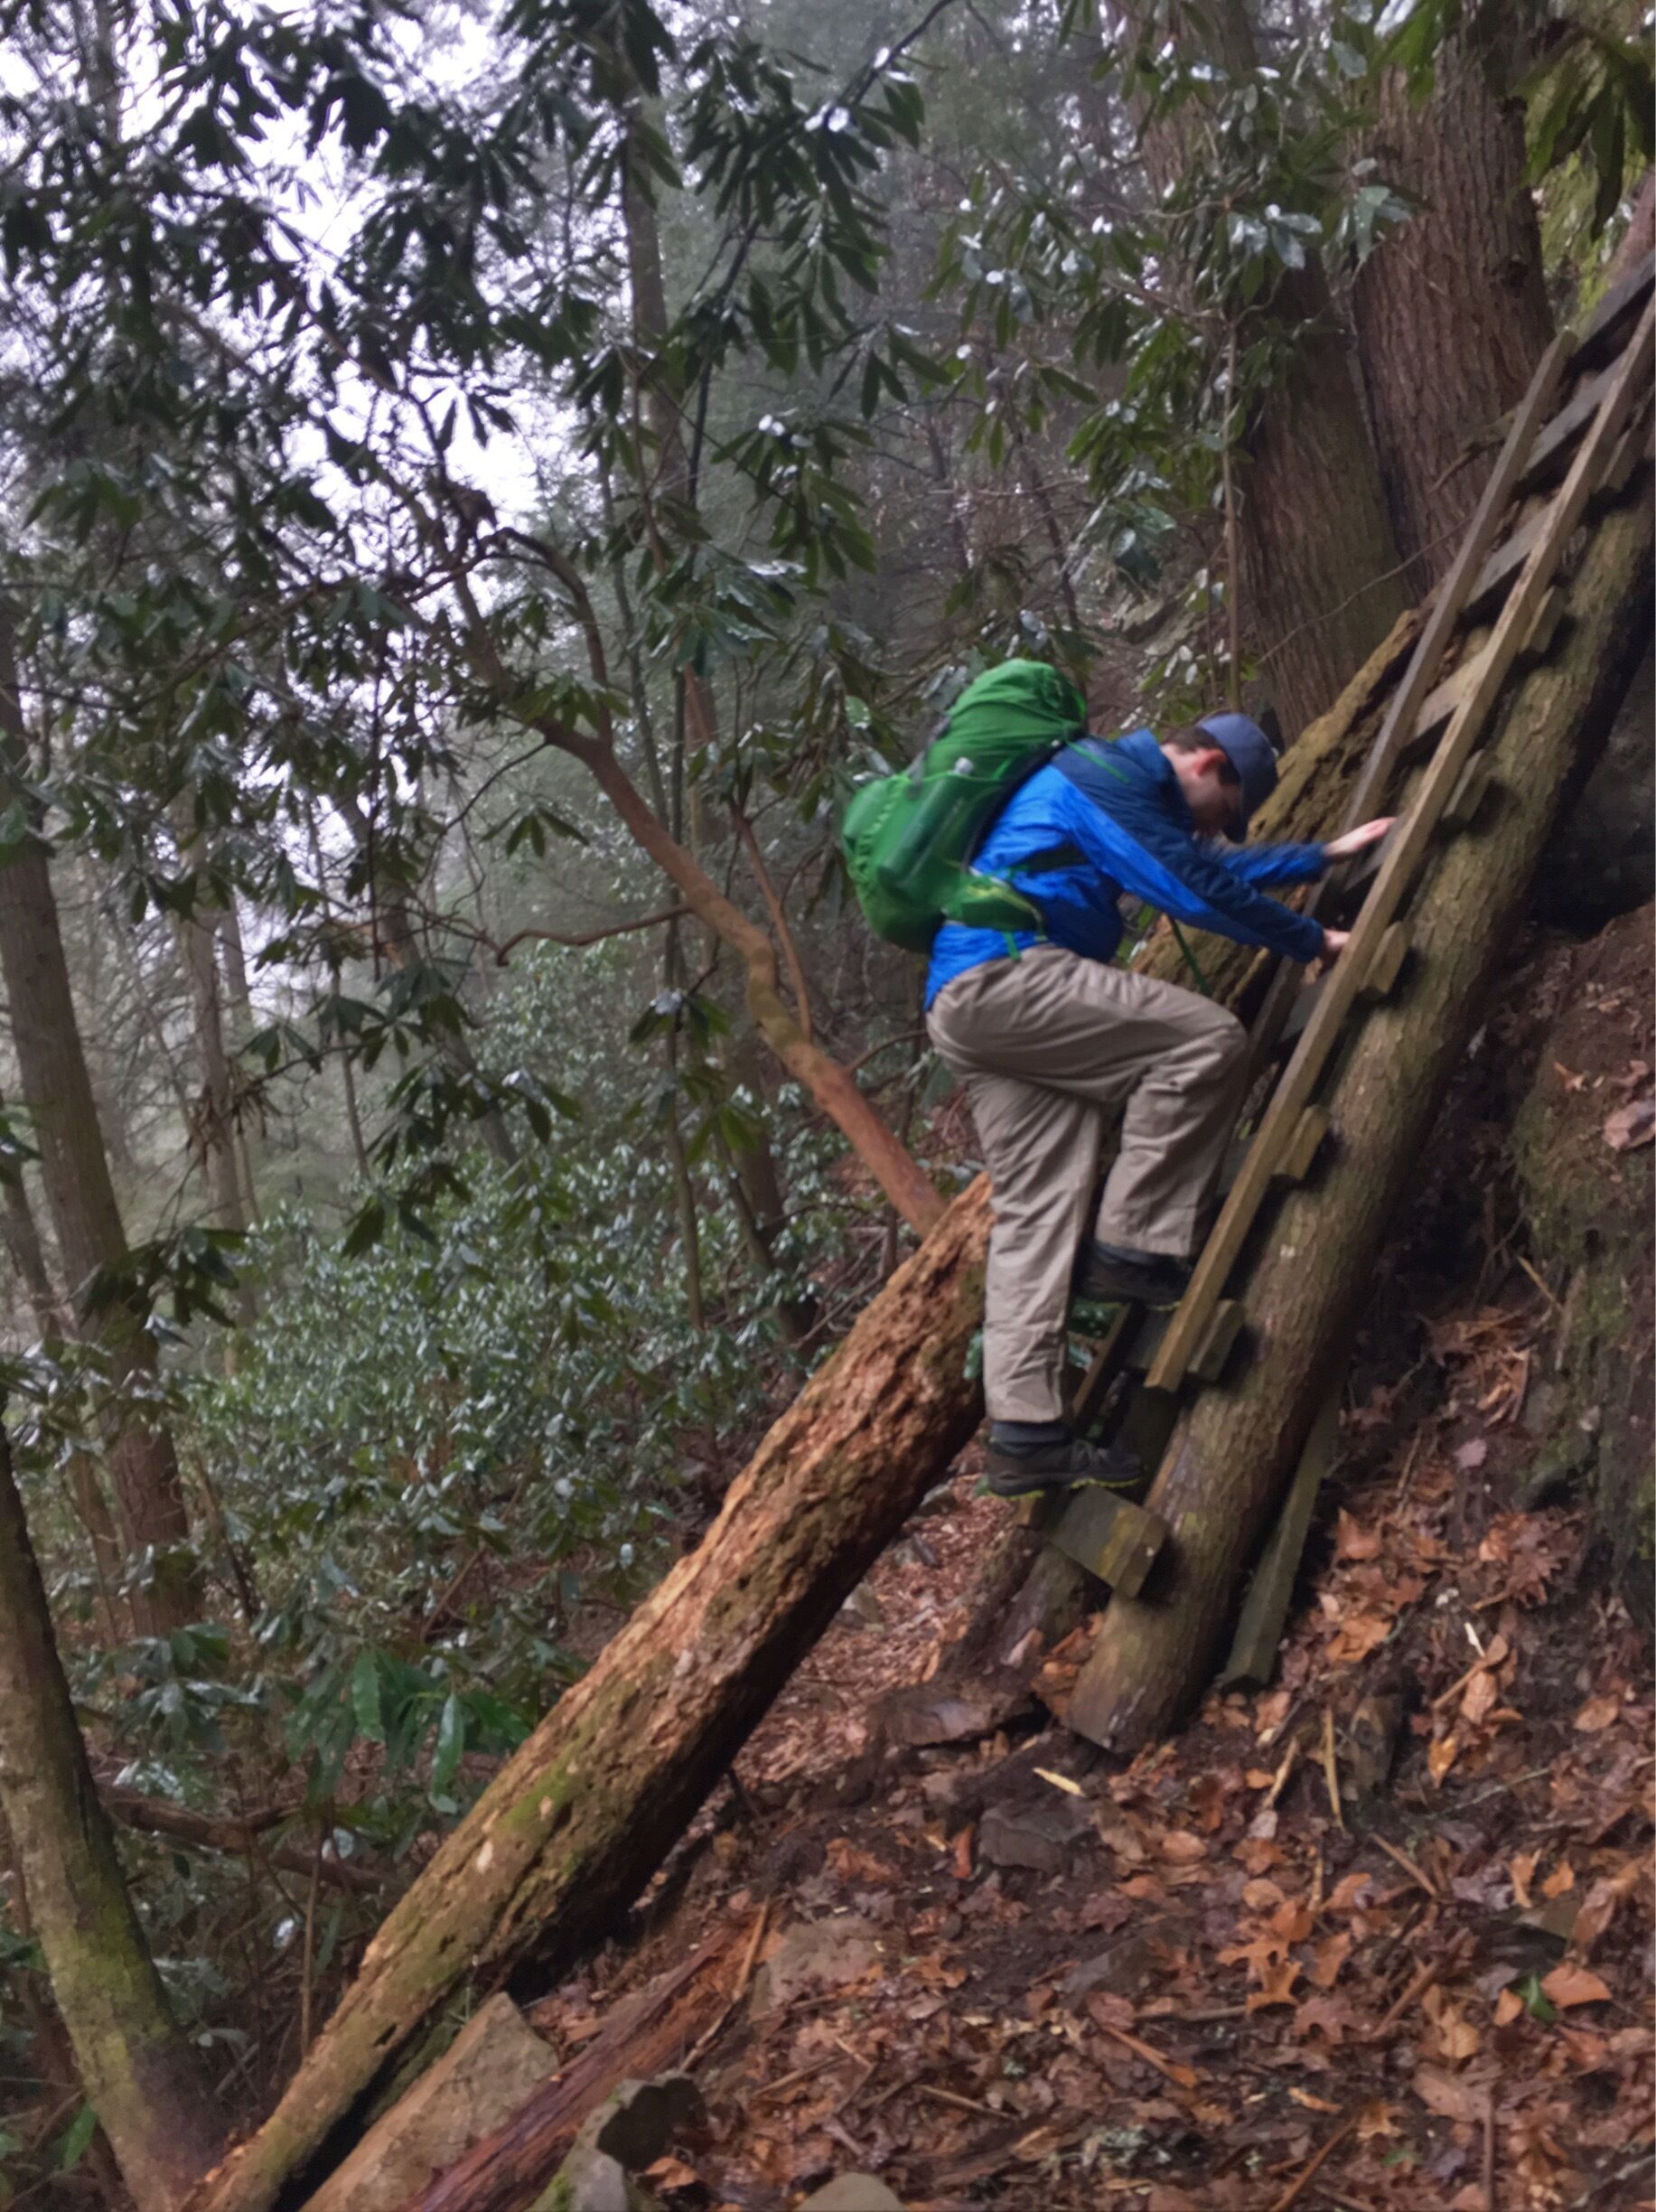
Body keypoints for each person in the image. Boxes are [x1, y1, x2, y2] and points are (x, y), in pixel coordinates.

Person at [924, 710, 1392, 1501]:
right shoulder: (1099, 775)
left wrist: (1318, 857)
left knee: (1036, 1213)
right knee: (1205, 1042)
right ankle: (1132, 1249)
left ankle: (1025, 1435)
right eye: (1223, 808)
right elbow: (1190, 884)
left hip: (962, 1004)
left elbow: (1200, 865)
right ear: (1207, 762)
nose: (1219, 826)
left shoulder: (1113, 790)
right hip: (1009, 975)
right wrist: (1310, 940)